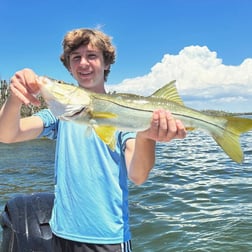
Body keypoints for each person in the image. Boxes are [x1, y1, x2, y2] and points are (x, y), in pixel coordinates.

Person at [0, 28, 186, 251]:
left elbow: (138, 175)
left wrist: (146, 136)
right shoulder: (61, 114)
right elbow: (8, 134)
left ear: (106, 63)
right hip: (60, 233)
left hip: (108, 238)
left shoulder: (122, 117)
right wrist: (15, 97)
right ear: (69, 67)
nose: (83, 63)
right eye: (76, 58)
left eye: (92, 56)